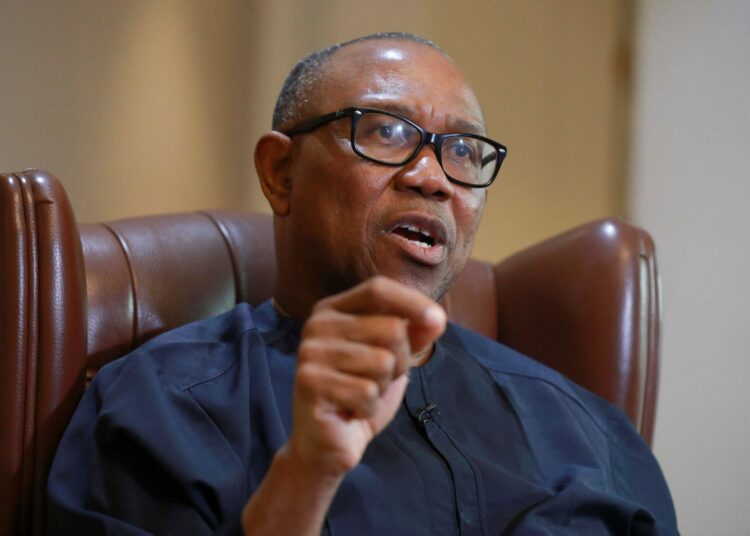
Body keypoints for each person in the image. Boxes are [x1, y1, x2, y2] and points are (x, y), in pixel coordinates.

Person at [47, 32, 678, 535]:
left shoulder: (589, 430)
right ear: (280, 172)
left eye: (462, 150)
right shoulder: (159, 405)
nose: (433, 177)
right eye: (387, 131)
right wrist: (306, 475)